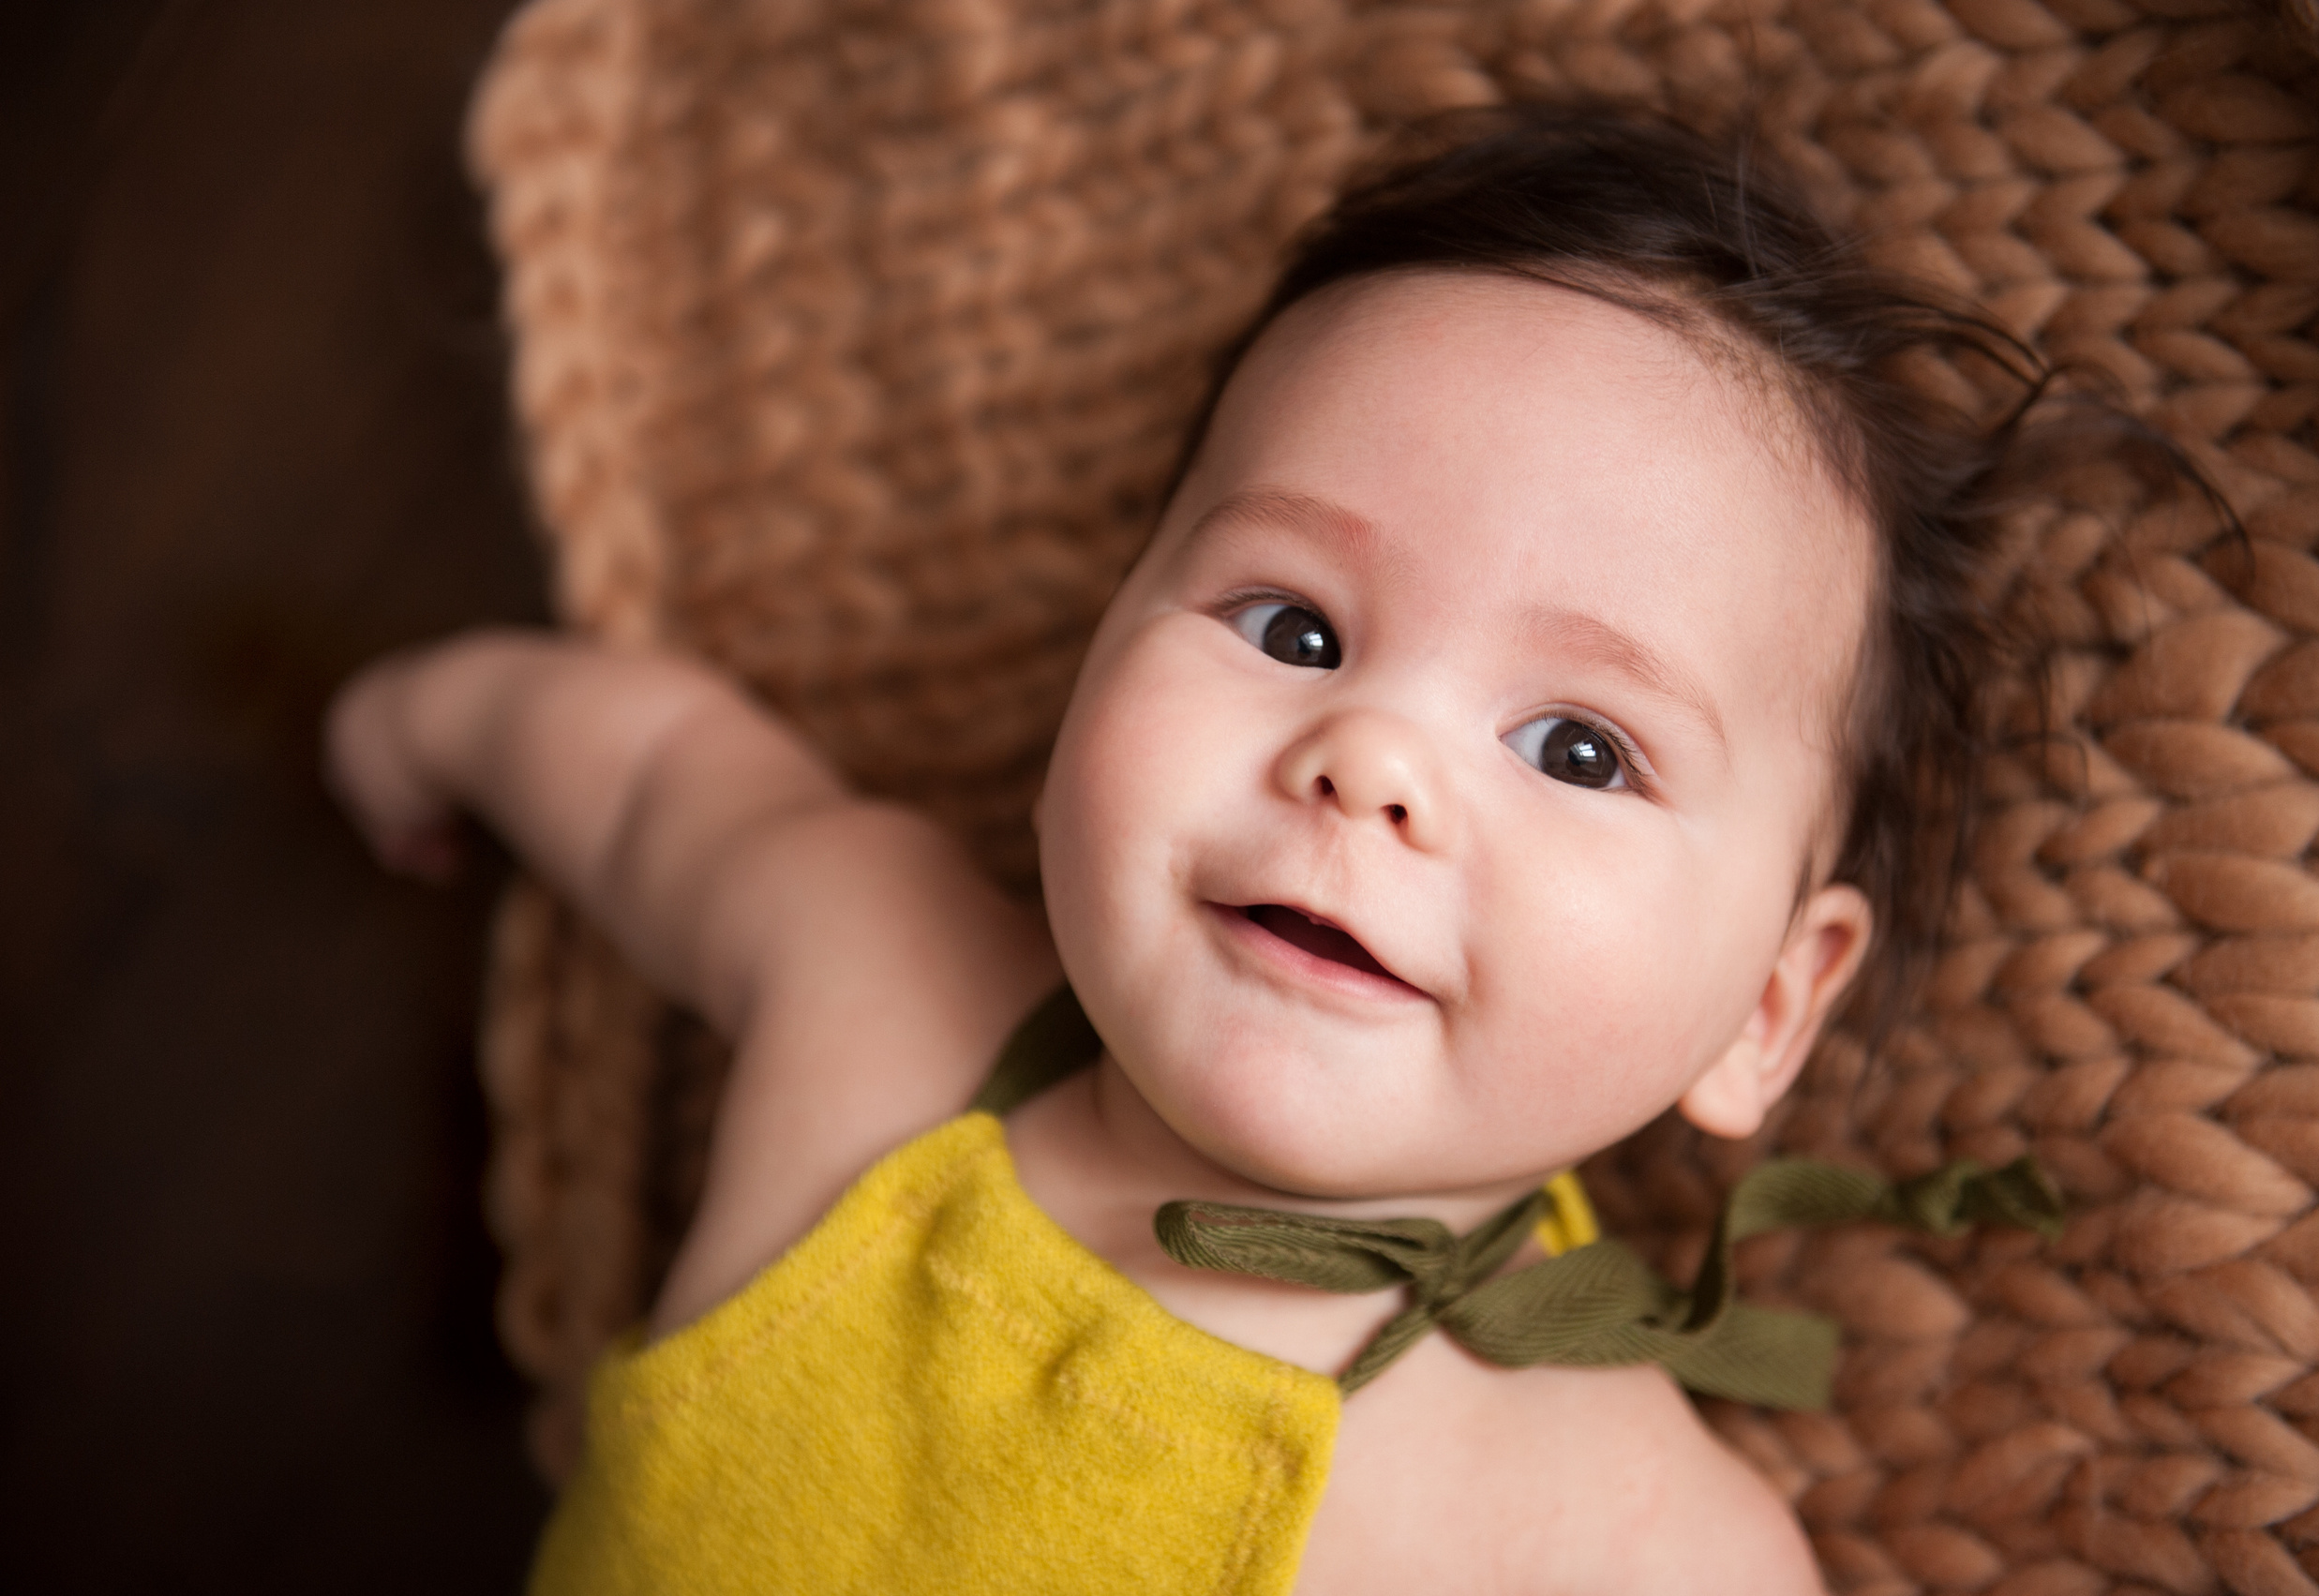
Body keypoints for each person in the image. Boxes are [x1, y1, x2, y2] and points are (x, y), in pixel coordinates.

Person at [328, 105, 2102, 1594]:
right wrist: (429, 718)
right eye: (1294, 629)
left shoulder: (1630, 1546)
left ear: (1769, 1007)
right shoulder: (877, 976)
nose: (1371, 761)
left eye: (1579, 747)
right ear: (1097, 655)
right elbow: (654, 779)